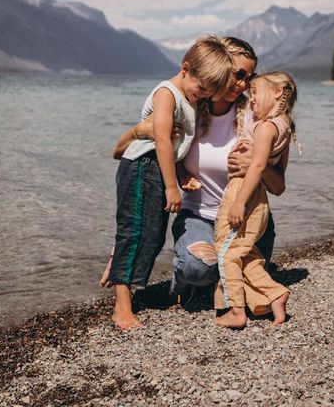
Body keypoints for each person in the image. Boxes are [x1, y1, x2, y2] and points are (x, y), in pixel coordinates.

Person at [108, 37, 286, 309]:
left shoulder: (257, 118)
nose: (241, 85)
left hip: (246, 223)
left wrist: (254, 165)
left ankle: (223, 278)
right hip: (198, 218)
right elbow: (133, 151)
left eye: (249, 79)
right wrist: (120, 247)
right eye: (237, 74)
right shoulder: (187, 107)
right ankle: (195, 280)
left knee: (243, 273)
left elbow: (278, 186)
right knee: (197, 269)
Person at [108, 36, 233, 329]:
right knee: (134, 232)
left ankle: (131, 287)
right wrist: (171, 187)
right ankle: (121, 306)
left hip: (159, 170)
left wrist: (180, 176)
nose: (202, 95)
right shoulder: (167, 93)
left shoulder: (189, 99)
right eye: (201, 88)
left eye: (208, 93)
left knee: (152, 235)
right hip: (141, 167)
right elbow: (162, 140)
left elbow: (175, 148)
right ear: (185, 68)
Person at [214, 71, 299, 329]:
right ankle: (273, 294)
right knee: (244, 254)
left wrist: (239, 201)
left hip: (245, 193)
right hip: (256, 198)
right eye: (249, 95)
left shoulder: (266, 126)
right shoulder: (282, 125)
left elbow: (258, 164)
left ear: (277, 93)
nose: (250, 100)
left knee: (226, 252)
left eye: (254, 93)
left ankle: (236, 309)